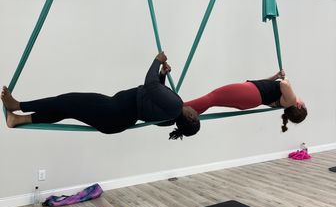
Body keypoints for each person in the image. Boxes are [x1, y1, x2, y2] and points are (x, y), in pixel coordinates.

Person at [1, 52, 200, 139]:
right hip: (114, 119)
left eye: (196, 113)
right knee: (65, 109)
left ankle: (19, 105)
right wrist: (163, 76)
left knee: (65, 101)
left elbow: (149, 84)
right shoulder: (170, 117)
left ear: (190, 116)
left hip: (112, 111)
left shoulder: (176, 105)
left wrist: (157, 61)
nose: (195, 109)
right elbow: (154, 99)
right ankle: (18, 119)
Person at [184, 70, 307, 132]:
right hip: (251, 96)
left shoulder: (291, 100)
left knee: (211, 98)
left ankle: (180, 107)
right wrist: (275, 77)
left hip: (250, 94)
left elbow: (285, 84)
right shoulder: (285, 102)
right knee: (211, 101)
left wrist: (295, 97)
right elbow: (263, 85)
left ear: (299, 106)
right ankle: (185, 115)